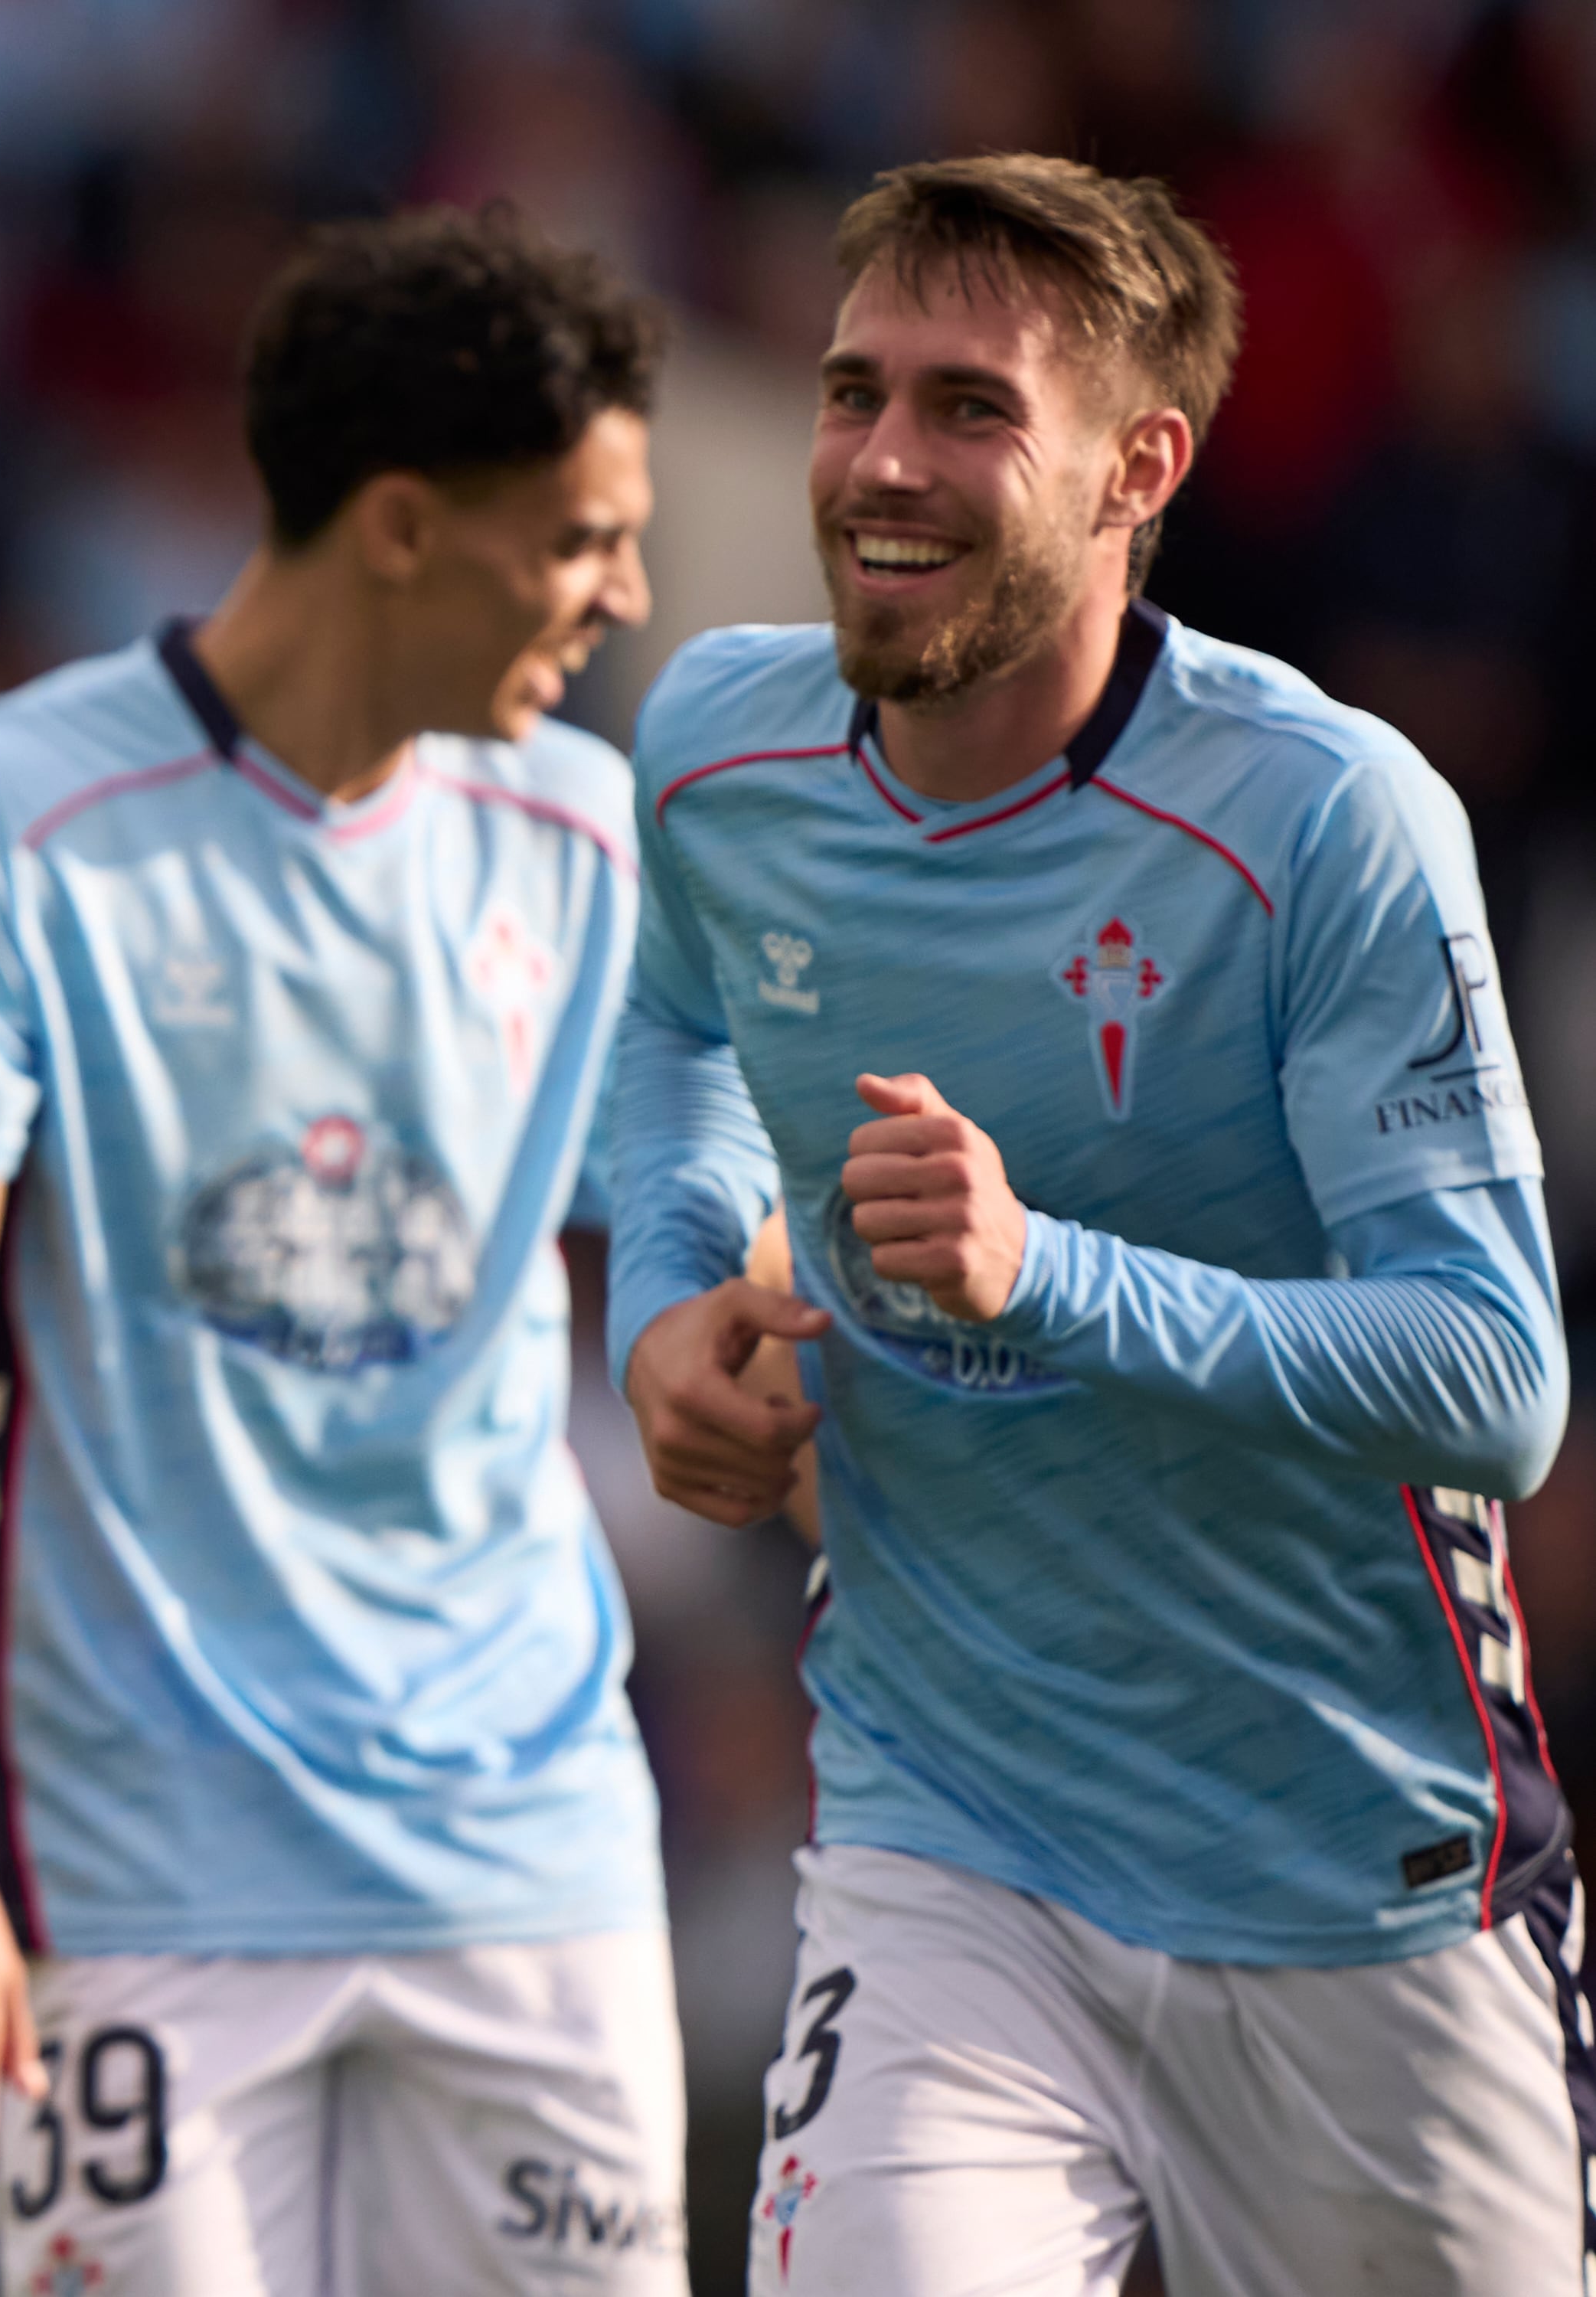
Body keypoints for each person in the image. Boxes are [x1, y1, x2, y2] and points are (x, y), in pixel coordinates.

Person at [606, 155, 1586, 2297]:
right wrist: (675, 1300)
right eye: (855, 390)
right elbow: (667, 1030)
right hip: (945, 1843)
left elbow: (1491, 1381)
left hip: (1355, 1882)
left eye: (968, 409)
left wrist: (1042, 1273)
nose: (877, 460)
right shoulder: (708, 747)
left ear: (1138, 464)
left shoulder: (1321, 816)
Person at [0, 207, 682, 2295]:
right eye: (577, 536)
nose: (622, 592)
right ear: (396, 526)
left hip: (530, 1850)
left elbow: (669, 1225)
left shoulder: (592, 831)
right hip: (136, 1868)